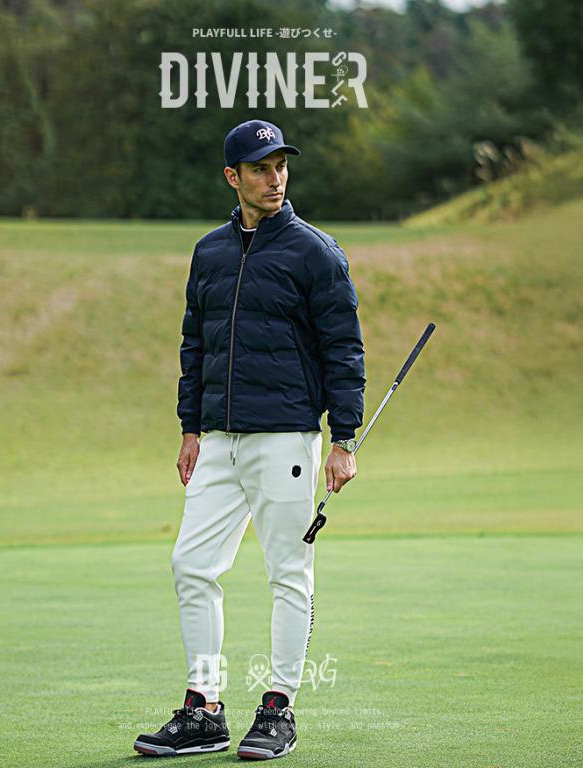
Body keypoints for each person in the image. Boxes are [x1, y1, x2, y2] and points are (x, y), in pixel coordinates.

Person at [134, 119, 365, 760]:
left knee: (288, 573)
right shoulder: (209, 252)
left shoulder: (316, 252)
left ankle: (278, 708)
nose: (275, 178)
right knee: (191, 565)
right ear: (232, 177)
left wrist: (344, 438)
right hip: (217, 440)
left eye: (281, 166)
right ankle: (205, 710)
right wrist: (189, 427)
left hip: (286, 439)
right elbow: (195, 344)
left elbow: (344, 348)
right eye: (261, 168)